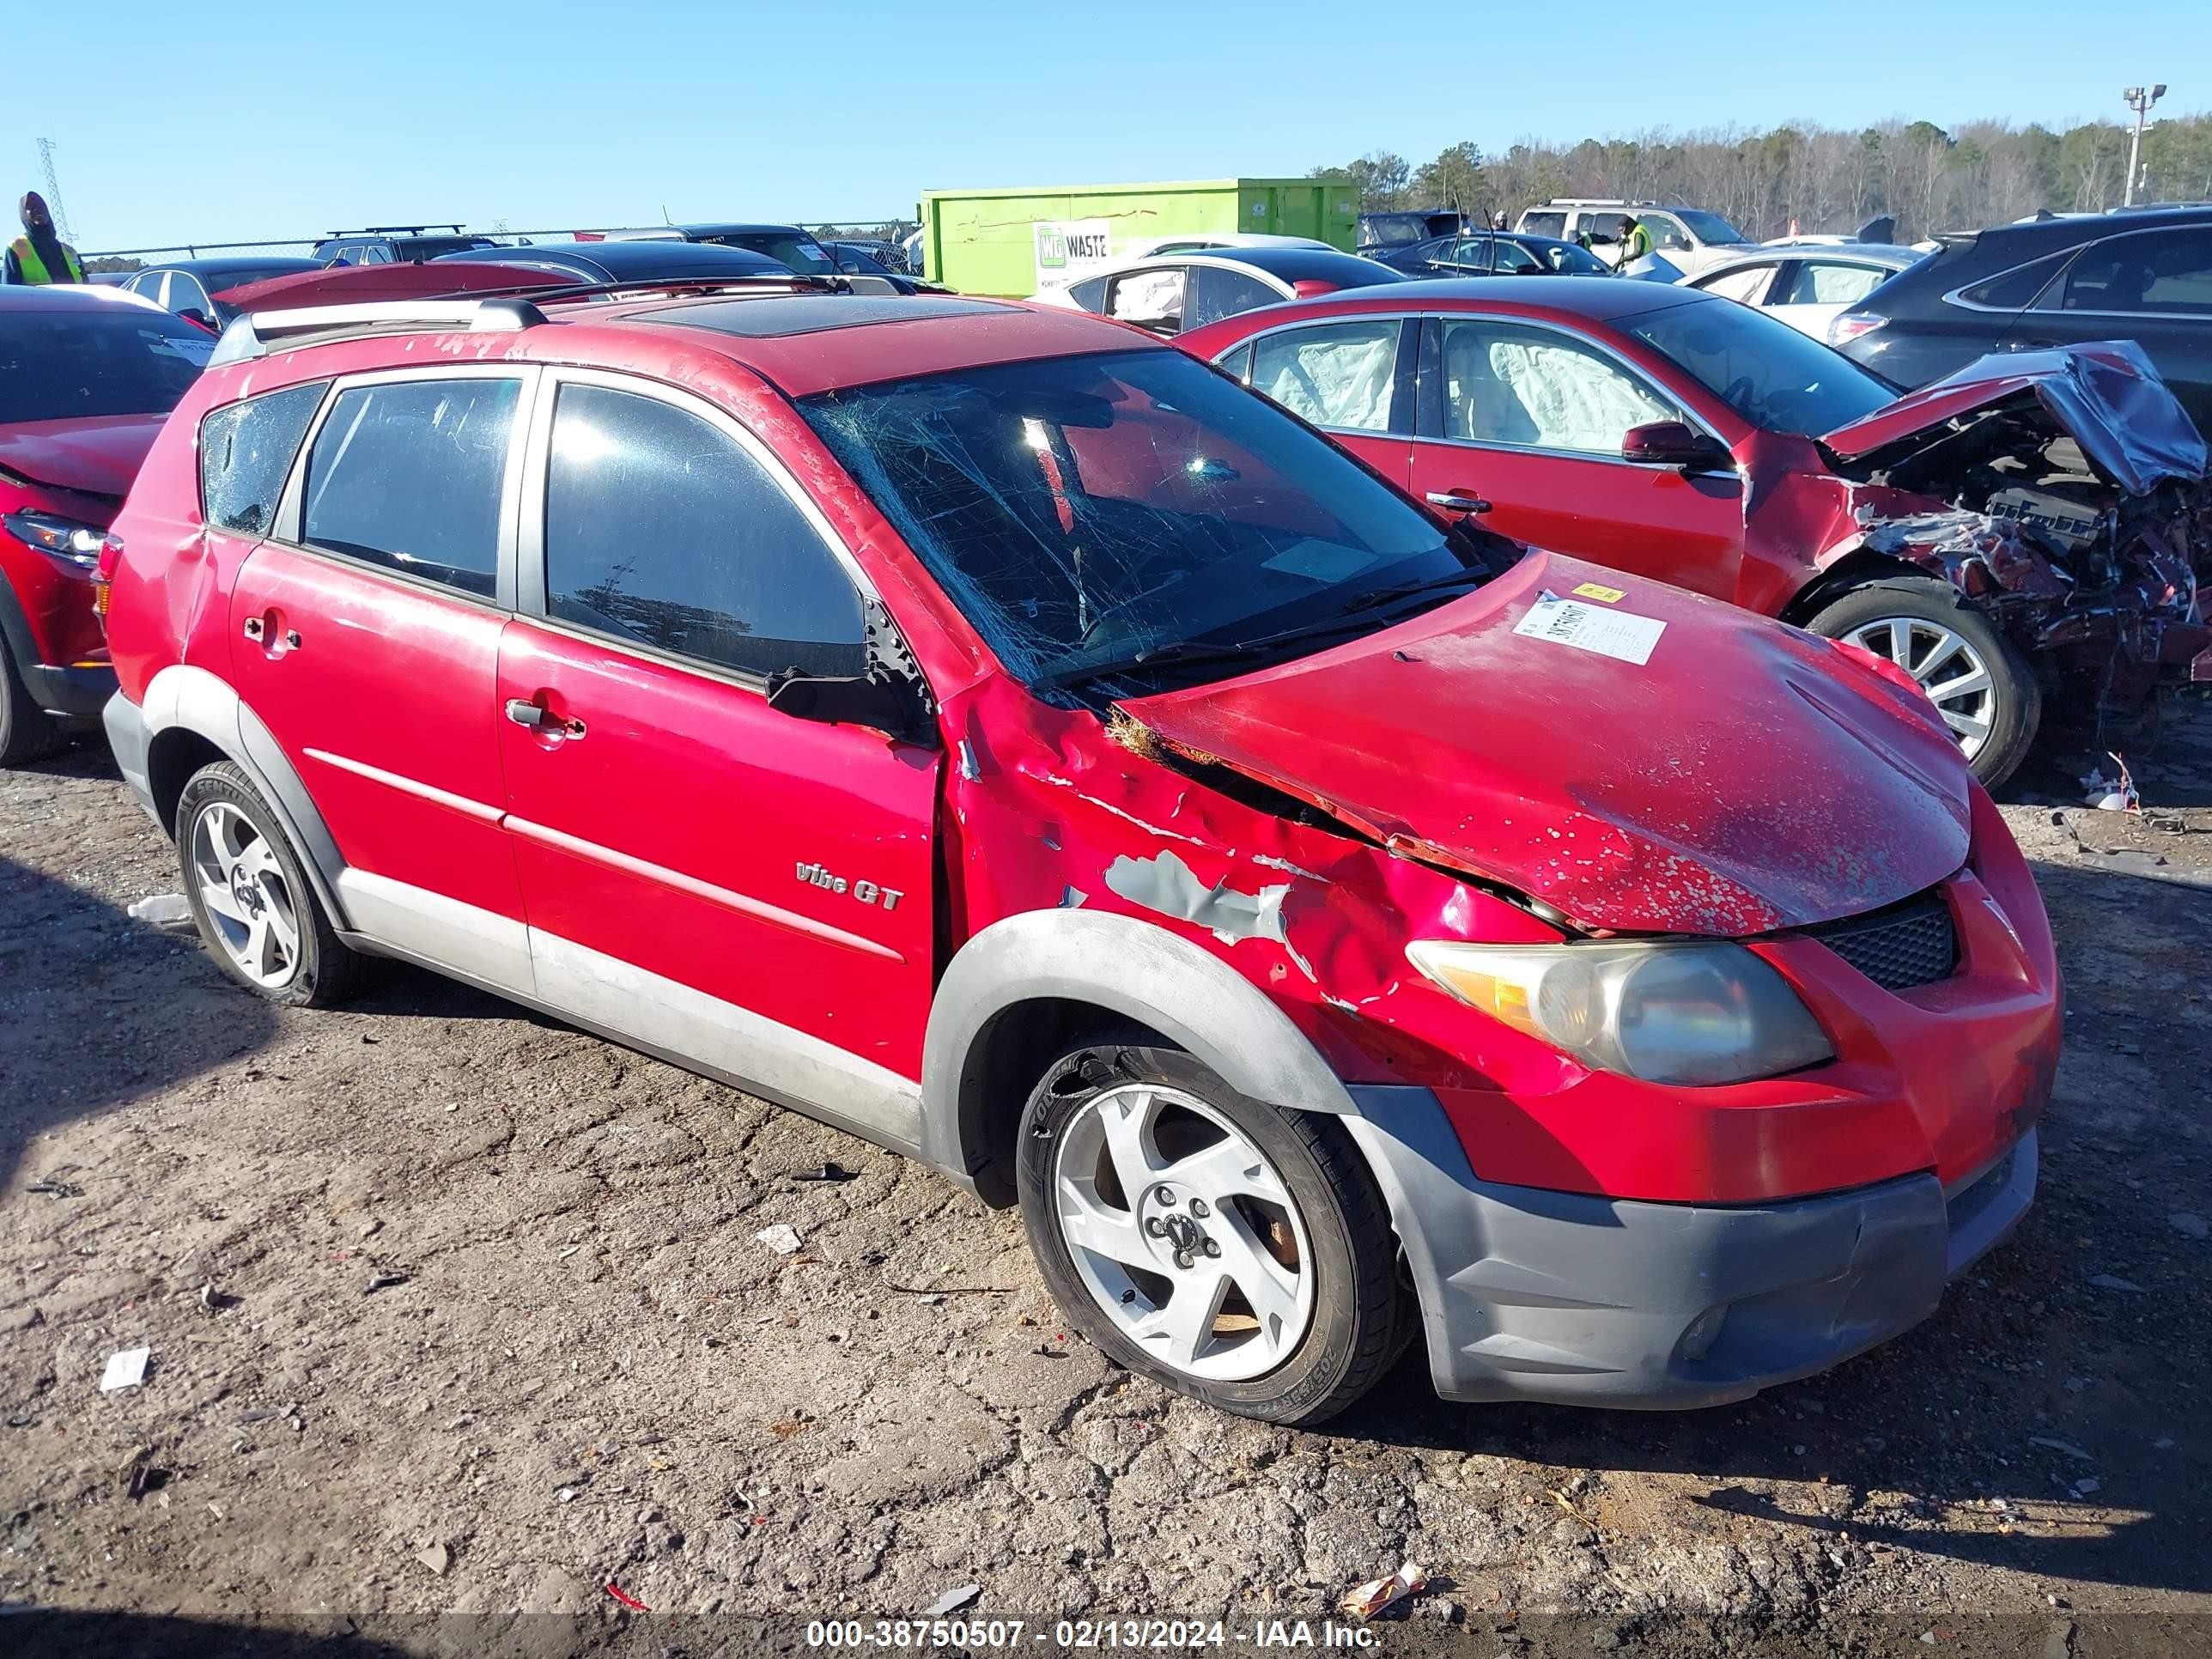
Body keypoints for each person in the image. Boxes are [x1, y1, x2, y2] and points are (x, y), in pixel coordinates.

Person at [6, 192, 82, 284]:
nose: (37, 209)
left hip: (75, 298)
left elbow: (84, 281)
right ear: (24, 215)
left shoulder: (69, 251)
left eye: (40, 205)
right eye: (30, 207)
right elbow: (10, 292)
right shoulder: (18, 247)